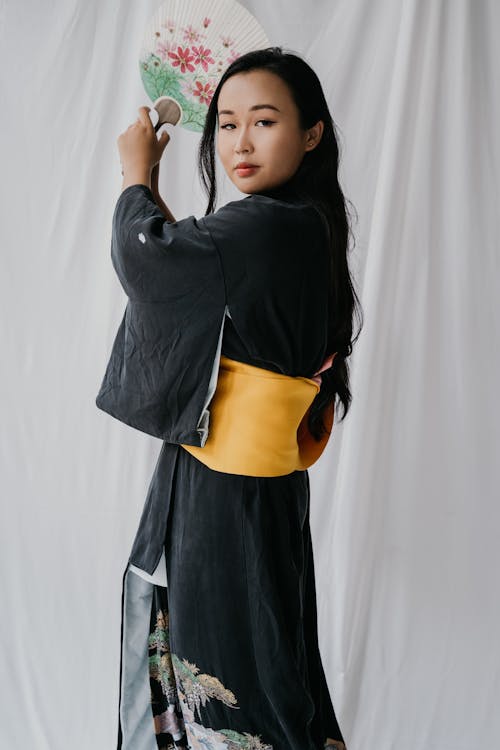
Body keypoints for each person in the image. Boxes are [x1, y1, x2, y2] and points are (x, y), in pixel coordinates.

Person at [96, 46, 362, 750]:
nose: (240, 142)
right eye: (226, 124)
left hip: (226, 497)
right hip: (261, 493)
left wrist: (136, 174)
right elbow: (193, 270)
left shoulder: (266, 226)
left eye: (265, 121)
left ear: (312, 134)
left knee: (236, 679)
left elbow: (152, 261)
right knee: (272, 667)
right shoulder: (305, 223)